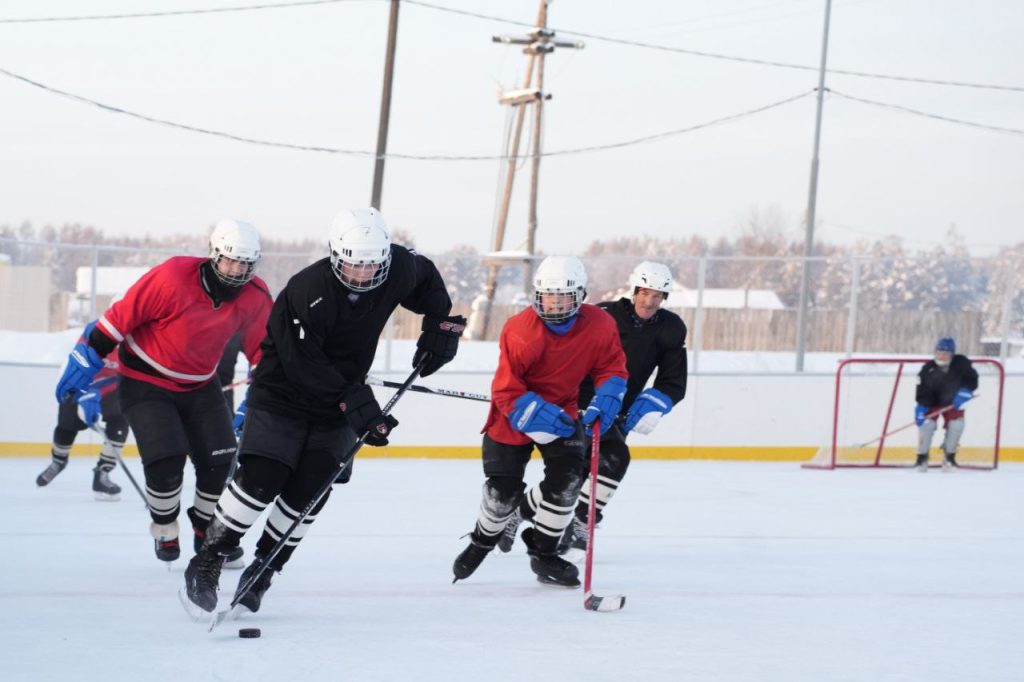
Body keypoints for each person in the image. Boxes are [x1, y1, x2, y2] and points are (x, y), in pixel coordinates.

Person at [181, 208, 464, 617]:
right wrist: (360, 407)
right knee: (264, 478)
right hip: (283, 393)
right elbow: (305, 367)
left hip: (340, 398)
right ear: (335, 255)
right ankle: (208, 559)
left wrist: (440, 326)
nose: (363, 275)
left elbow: (426, 279)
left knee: (311, 489)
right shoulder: (307, 290)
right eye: (353, 265)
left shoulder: (398, 265)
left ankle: (264, 569)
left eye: (372, 266)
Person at [53, 219, 272, 563]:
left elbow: (265, 355)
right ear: (214, 255)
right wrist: (87, 358)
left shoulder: (255, 297)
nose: (236, 271)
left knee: (221, 462)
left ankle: (207, 531)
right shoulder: (171, 277)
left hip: (201, 385)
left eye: (245, 263)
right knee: (166, 460)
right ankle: (165, 527)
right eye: (230, 261)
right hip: (144, 381)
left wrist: (256, 400)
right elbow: (118, 320)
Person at [452, 255, 628, 588]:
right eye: (549, 295)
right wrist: (533, 412)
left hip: (563, 412)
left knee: (569, 481)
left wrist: (608, 395)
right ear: (537, 295)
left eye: (563, 295)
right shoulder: (520, 331)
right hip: (512, 416)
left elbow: (611, 367)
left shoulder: (601, 325)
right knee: (502, 492)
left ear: (579, 296)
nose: (555, 303)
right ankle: (481, 542)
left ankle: (544, 554)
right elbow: (505, 391)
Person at [503, 261, 688, 558]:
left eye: (657, 296)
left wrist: (656, 402)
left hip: (618, 410)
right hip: (578, 402)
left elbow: (673, 378)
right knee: (601, 463)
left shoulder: (670, 328)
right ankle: (578, 523)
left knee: (584, 472)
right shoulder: (603, 316)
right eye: (644, 293)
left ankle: (526, 515)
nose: (649, 301)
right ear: (634, 290)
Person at [36, 320, 129, 501]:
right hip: (79, 381)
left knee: (120, 420)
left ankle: (102, 473)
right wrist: (87, 393)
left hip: (111, 387)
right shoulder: (97, 332)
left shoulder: (142, 341)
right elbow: (76, 364)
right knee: (67, 424)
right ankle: (59, 461)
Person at [914, 336, 978, 471]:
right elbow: (923, 390)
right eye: (939, 352)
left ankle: (949, 457)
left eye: (946, 353)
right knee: (926, 425)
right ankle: (922, 458)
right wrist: (921, 406)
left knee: (957, 424)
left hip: (953, 402)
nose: (942, 356)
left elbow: (972, 378)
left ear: (952, 354)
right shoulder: (927, 368)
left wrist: (965, 391)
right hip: (933, 402)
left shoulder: (961, 364)